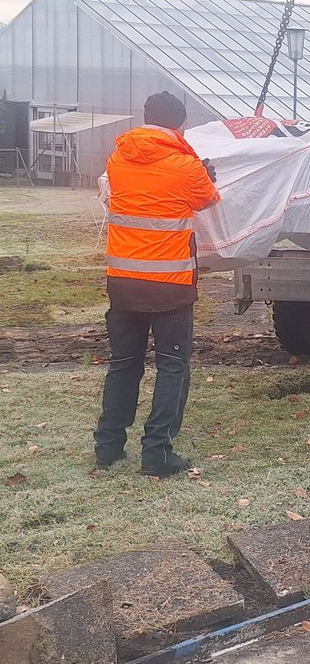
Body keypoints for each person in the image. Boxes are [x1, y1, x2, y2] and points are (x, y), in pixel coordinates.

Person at [93, 92, 220, 477]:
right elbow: (208, 200)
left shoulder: (117, 159)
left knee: (124, 365)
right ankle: (157, 453)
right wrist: (205, 173)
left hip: (123, 283)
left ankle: (108, 447)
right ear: (178, 126)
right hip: (170, 286)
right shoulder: (185, 165)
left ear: (145, 119)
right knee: (172, 367)